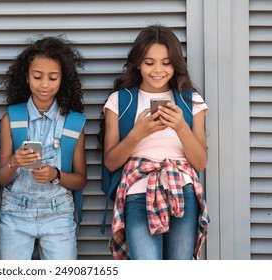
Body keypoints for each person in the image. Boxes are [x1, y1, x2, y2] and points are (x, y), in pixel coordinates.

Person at [101, 24, 209, 260]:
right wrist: (137, 133)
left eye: (166, 62)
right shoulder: (119, 101)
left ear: (176, 63)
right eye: (150, 63)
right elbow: (111, 162)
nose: (158, 70)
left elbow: (200, 163)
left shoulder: (191, 101)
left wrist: (181, 127)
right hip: (138, 194)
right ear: (138, 63)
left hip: (183, 192)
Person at [0, 36, 87, 260]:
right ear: (26, 77)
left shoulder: (74, 124)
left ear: (62, 79)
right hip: (15, 213)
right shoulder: (12, 119)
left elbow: (81, 179)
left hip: (59, 213)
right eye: (37, 77)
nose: (45, 84)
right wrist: (14, 162)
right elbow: (1, 178)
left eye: (53, 77)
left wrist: (55, 175)